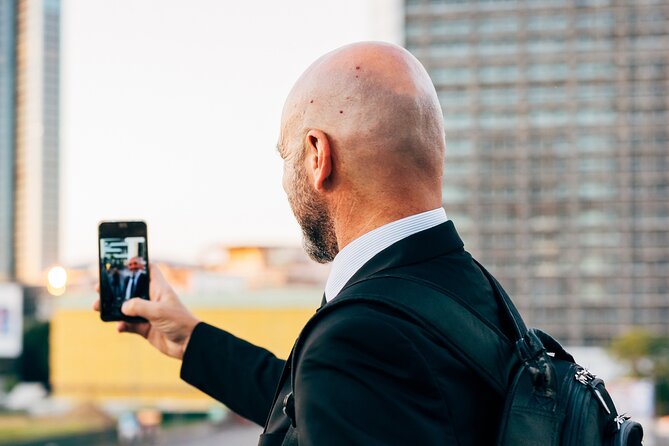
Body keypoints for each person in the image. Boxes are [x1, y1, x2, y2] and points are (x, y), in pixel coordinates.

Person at [94, 42, 508, 445]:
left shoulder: (358, 337)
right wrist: (190, 340)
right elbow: (326, 404)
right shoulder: (478, 293)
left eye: (285, 156)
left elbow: (344, 385)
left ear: (316, 155)